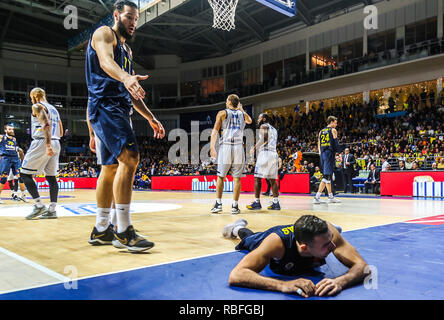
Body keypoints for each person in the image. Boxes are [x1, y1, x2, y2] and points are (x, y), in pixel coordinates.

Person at [85, 0, 165, 252]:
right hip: (105, 107)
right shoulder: (104, 34)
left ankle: (100, 229)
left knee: (109, 168)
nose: (133, 22)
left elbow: (130, 91)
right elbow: (107, 63)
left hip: (117, 108)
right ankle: (123, 230)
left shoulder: (127, 51)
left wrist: (150, 116)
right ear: (117, 15)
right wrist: (126, 76)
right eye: (129, 17)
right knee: (130, 158)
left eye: (136, 19)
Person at [222, 215, 369, 297]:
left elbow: (363, 266)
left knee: (329, 237)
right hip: (273, 238)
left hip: (305, 236)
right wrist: (283, 285)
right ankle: (237, 228)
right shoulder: (276, 243)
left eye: (330, 240)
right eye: (326, 245)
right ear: (304, 248)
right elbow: (236, 275)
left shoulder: (329, 234)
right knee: (250, 239)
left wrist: (340, 281)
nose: (333, 246)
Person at [21, 88, 63, 219]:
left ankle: (39, 206)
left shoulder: (37, 106)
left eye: (31, 97)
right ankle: (52, 210)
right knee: (51, 177)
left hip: (43, 142)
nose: (31, 100)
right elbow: (61, 131)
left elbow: (45, 124)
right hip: (57, 141)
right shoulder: (54, 109)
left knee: (24, 174)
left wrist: (48, 145)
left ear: (35, 96)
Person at [210, 94, 252, 214]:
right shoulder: (242, 114)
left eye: (226, 100)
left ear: (229, 102)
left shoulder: (222, 113)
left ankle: (218, 204)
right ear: (237, 103)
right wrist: (242, 110)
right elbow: (250, 121)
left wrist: (212, 147)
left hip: (226, 146)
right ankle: (235, 206)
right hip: (239, 147)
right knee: (237, 178)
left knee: (220, 177)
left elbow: (215, 131)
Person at [246, 113, 280, 211]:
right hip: (273, 153)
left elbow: (264, 138)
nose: (258, 119)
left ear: (264, 119)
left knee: (257, 178)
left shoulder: (263, 126)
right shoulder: (274, 129)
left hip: (265, 153)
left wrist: (254, 148)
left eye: (259, 117)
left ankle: (257, 202)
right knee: (273, 180)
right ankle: (276, 203)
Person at [313, 116, 341, 204]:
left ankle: (330, 196)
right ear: (332, 122)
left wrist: (321, 154)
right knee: (326, 176)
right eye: (335, 123)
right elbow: (336, 143)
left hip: (323, 154)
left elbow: (319, 143)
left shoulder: (321, 131)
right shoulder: (333, 130)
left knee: (328, 176)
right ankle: (317, 197)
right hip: (329, 154)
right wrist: (339, 154)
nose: (336, 125)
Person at [0, 125, 24, 204]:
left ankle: (23, 195)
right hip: (6, 158)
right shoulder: (2, 137)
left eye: (12, 129)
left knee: (21, 176)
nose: (12, 130)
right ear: (5, 130)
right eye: (9, 129)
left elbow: (19, 151)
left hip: (15, 159)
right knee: (3, 178)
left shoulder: (14, 139)